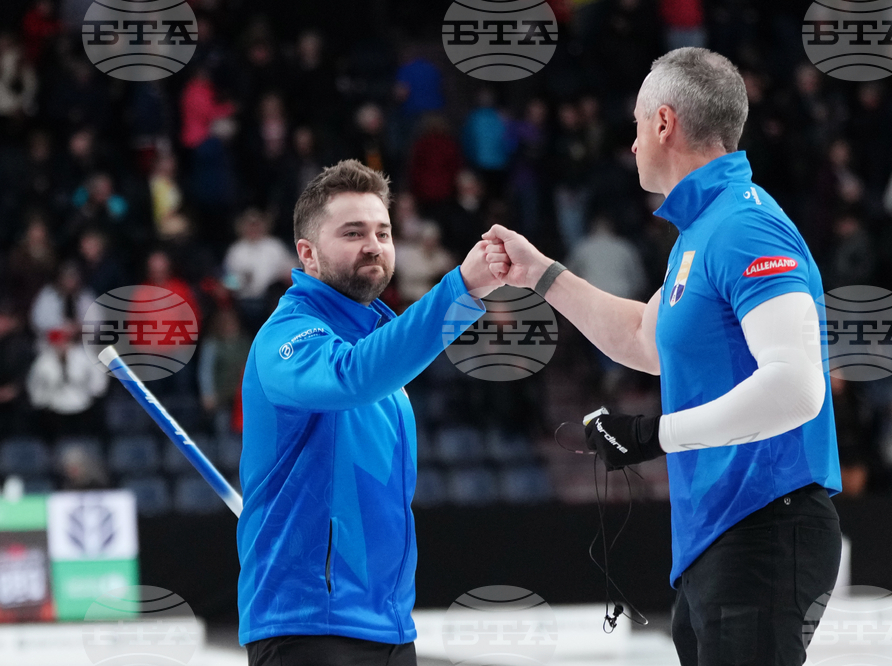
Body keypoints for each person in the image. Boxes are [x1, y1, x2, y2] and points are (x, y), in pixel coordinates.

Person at [485, 47, 842, 665]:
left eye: (634, 125)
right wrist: (539, 273)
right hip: (719, 537)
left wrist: (654, 434)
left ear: (664, 124)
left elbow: (797, 387)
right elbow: (643, 341)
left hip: (764, 525)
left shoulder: (745, 228)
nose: (630, 145)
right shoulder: (701, 233)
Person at [238, 159, 501, 666]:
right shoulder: (287, 335)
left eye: (383, 231)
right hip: (309, 626)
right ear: (307, 255)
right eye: (353, 232)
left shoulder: (380, 344)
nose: (373, 245)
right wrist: (461, 288)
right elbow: (351, 375)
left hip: (390, 625)